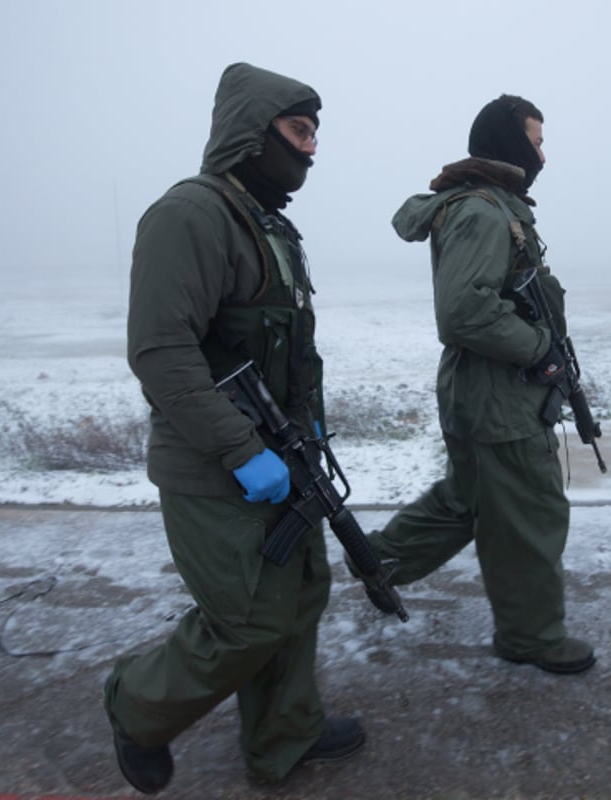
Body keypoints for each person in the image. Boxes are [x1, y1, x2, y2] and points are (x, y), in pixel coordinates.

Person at [103, 62, 363, 794]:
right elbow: (159, 350)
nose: (311, 148)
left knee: (300, 600)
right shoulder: (191, 215)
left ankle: (285, 736)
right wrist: (244, 451)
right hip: (214, 469)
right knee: (246, 621)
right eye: (299, 129)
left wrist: (307, 429)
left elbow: (284, 352)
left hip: (283, 455)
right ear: (254, 133)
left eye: (316, 132)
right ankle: (136, 708)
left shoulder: (270, 227)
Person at [362, 94, 597, 676]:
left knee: (473, 499)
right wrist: (540, 348)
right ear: (511, 146)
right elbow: (464, 313)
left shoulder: (495, 208)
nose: (544, 153)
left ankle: (381, 559)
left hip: (489, 392)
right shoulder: (483, 213)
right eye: (536, 141)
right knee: (529, 515)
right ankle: (531, 637)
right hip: (500, 399)